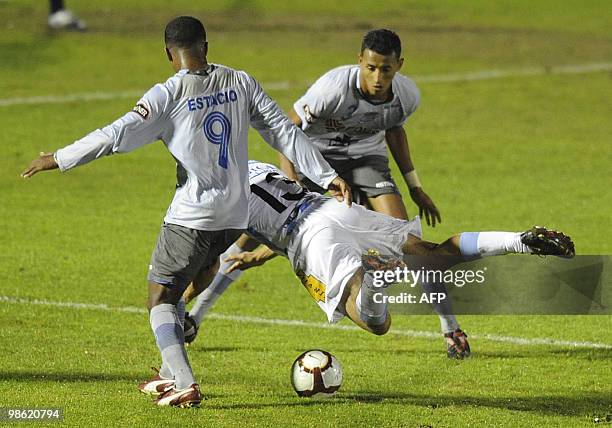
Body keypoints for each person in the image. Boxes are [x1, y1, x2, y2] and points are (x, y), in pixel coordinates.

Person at [21, 16, 351, 408]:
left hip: (193, 215)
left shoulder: (168, 94)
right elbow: (282, 130)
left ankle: (184, 381)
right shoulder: (239, 81)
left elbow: (114, 135)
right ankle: (166, 374)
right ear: (205, 46)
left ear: (168, 54)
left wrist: (57, 158)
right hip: (236, 214)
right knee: (183, 284)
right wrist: (326, 174)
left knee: (160, 296)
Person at [183, 161, 575, 360]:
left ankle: (373, 282)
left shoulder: (212, 199)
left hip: (308, 240)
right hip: (338, 211)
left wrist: (182, 300)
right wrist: (264, 253)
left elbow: (210, 265)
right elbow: (277, 211)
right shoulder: (256, 167)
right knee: (433, 255)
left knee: (374, 320)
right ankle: (520, 241)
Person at [279, 28, 441, 226]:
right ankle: (232, 254)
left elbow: (395, 131)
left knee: (399, 231)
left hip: (366, 158)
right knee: (277, 215)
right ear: (360, 61)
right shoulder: (333, 89)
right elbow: (285, 128)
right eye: (371, 68)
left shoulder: (407, 95)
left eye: (386, 69)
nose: (377, 78)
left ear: (399, 65)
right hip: (317, 156)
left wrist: (415, 187)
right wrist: (290, 178)